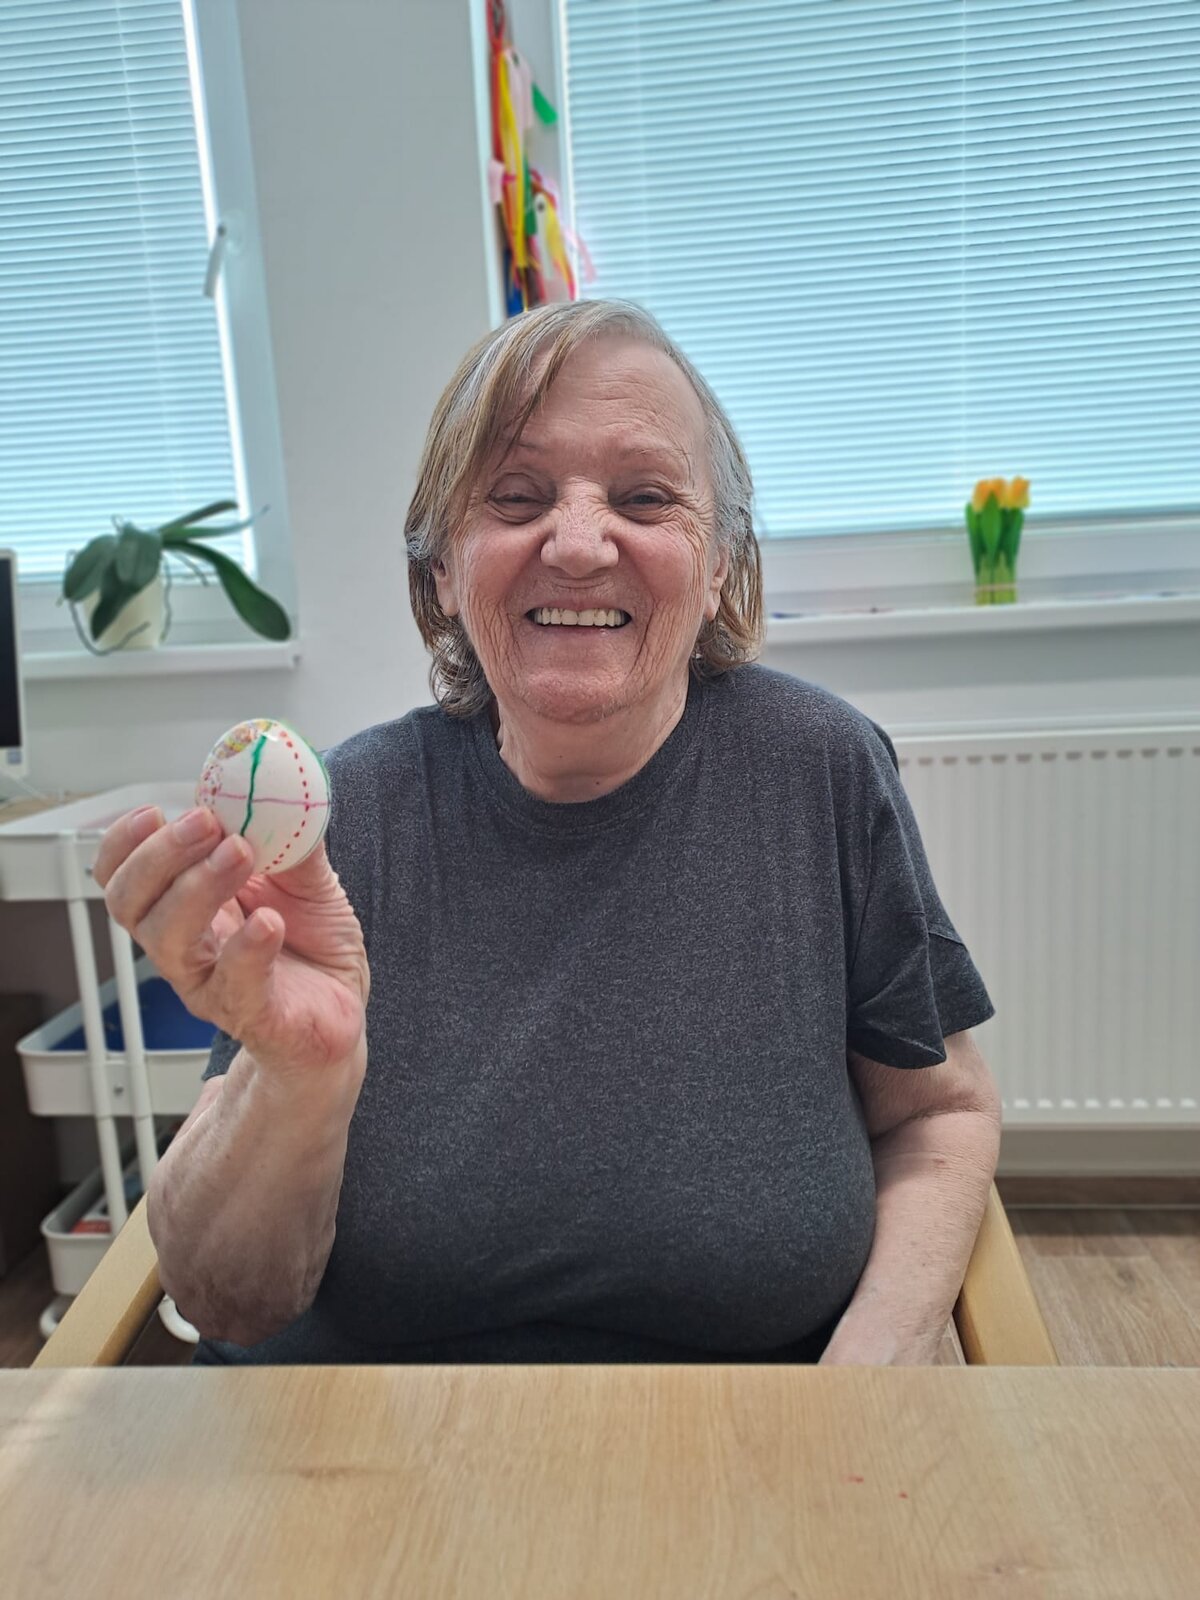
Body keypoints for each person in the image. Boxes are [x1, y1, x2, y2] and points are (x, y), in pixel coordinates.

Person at [94, 299, 1002, 1367]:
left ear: (719, 562)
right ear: (442, 567)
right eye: (516, 498)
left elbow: (939, 1112)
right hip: (367, 1445)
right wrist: (299, 1077)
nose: (576, 544)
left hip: (744, 1443)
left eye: (645, 497)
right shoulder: (348, 823)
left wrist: (873, 1369)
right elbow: (223, 1297)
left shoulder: (820, 772)